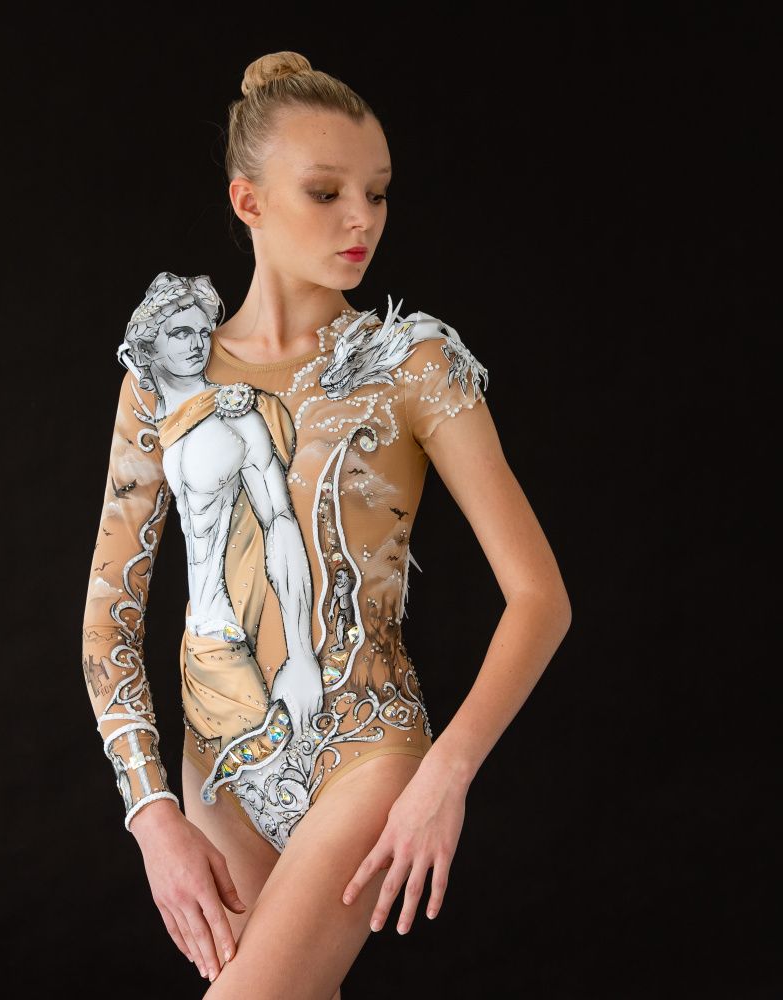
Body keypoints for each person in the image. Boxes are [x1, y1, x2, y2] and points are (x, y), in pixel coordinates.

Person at [81, 50, 571, 999]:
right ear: (248, 201)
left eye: (377, 193)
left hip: (364, 748)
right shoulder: (165, 376)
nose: (363, 219)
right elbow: (110, 617)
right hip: (217, 770)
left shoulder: (411, 363)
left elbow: (539, 597)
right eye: (326, 191)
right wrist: (152, 816)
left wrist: (446, 775)